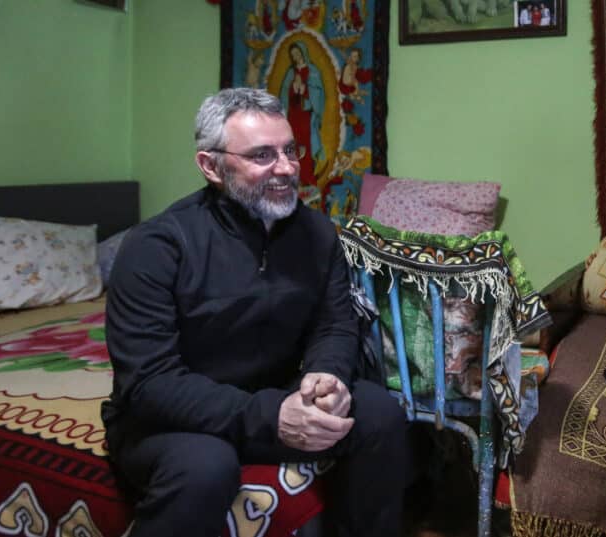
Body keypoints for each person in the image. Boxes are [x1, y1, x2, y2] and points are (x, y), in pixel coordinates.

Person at [101, 88, 409, 537]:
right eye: (262, 155)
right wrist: (271, 415)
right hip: (171, 418)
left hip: (269, 400)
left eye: (290, 150)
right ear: (212, 167)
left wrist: (329, 377)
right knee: (206, 467)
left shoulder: (317, 232)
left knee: (380, 414)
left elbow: (335, 324)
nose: (285, 168)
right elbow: (149, 383)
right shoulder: (156, 246)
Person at [281, 41, 325, 188]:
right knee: (294, 144)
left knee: (306, 144)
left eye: (297, 53)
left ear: (303, 53)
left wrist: (305, 90)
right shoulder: (290, 73)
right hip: (293, 113)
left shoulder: (312, 71)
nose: (295, 57)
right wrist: (294, 89)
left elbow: (318, 93)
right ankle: (293, 179)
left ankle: (307, 177)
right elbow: (284, 93)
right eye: (293, 55)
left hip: (306, 114)